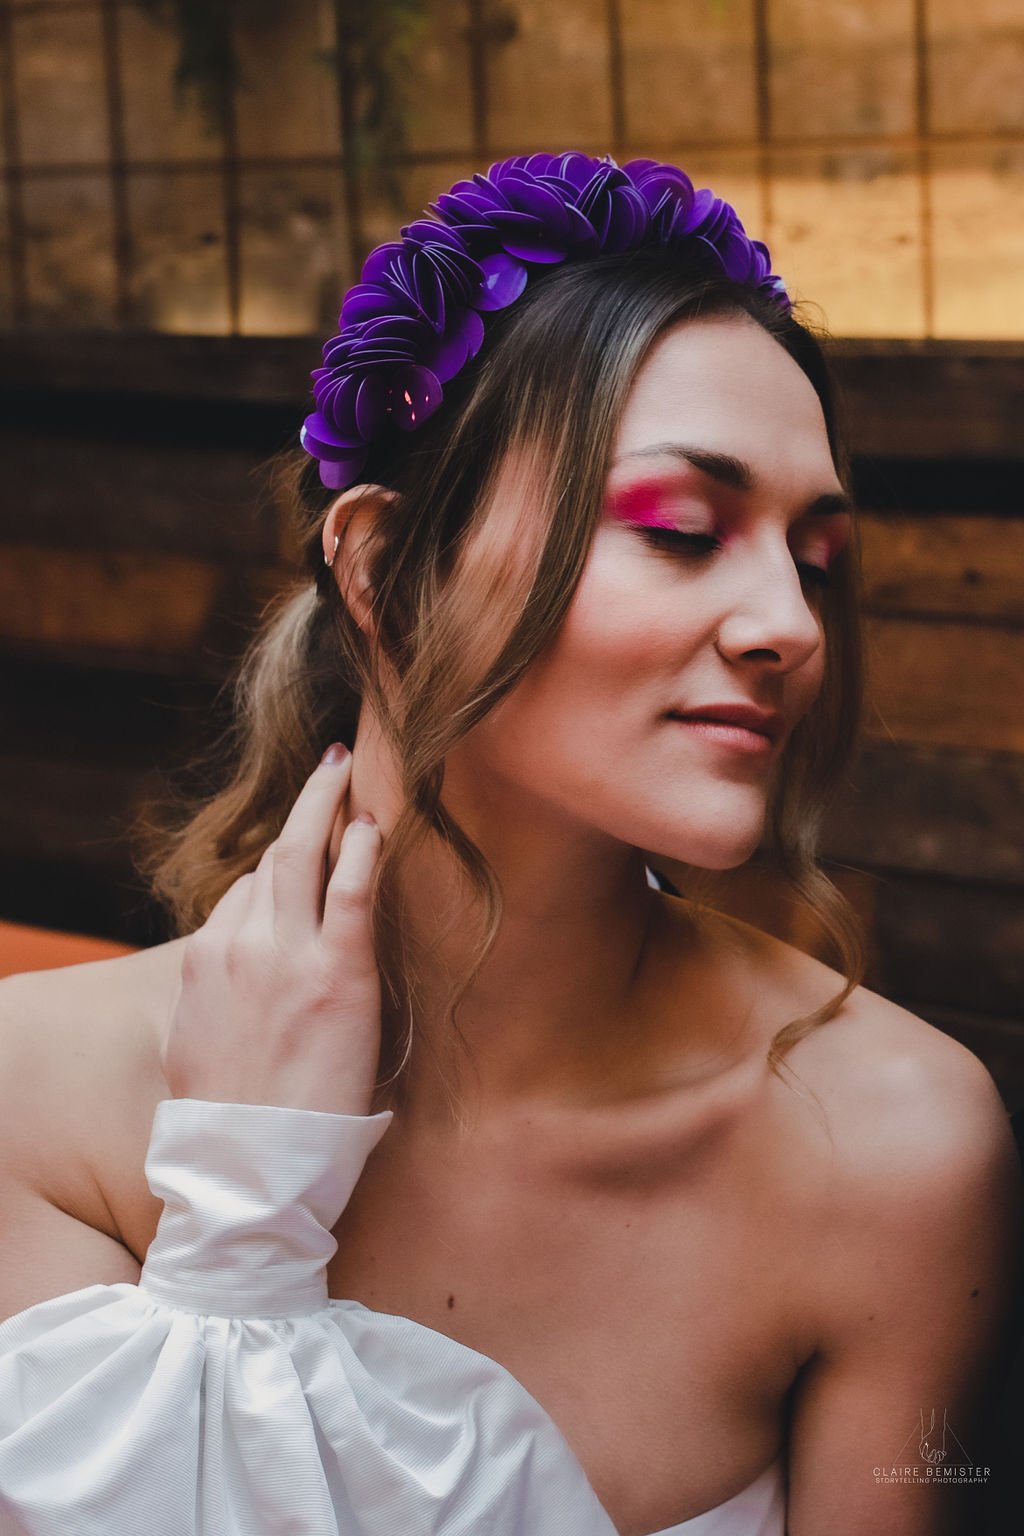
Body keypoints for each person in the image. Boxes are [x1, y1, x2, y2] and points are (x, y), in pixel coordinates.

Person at [0, 151, 1019, 1536]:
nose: (788, 623)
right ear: (378, 572)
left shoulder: (898, 1149)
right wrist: (239, 1240)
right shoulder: (36, 1109)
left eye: (817, 558)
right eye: (679, 528)